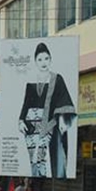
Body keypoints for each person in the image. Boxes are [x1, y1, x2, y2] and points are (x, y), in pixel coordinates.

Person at [17, 42, 76, 178]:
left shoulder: (57, 79)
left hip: (52, 123)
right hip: (32, 123)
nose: (43, 62)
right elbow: (26, 103)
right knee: (34, 158)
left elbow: (64, 100)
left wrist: (62, 120)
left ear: (50, 59)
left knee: (54, 155)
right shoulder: (31, 81)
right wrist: (21, 120)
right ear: (35, 61)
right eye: (40, 59)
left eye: (46, 58)